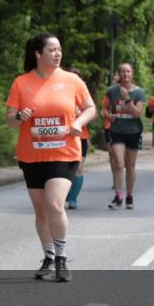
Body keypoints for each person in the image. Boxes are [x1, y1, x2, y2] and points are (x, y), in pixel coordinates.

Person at [7, 37, 94, 283]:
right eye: (52, 50)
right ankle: (48, 256)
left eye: (59, 49)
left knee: (55, 204)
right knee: (41, 210)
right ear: (38, 54)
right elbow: (10, 120)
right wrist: (20, 117)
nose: (57, 54)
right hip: (31, 155)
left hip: (64, 152)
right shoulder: (21, 83)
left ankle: (62, 258)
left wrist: (77, 122)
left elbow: (90, 108)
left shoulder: (72, 80)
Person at [104, 63, 146, 209]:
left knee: (130, 166)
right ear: (119, 74)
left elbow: (137, 113)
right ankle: (118, 196)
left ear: (132, 74)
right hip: (117, 131)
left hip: (133, 132)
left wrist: (127, 98)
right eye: (122, 72)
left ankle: (129, 196)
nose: (125, 74)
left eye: (128, 71)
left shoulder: (139, 92)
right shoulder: (111, 91)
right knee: (118, 163)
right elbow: (104, 110)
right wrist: (108, 115)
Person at [64, 68, 90, 210]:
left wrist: (80, 115)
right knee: (65, 169)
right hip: (62, 137)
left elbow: (92, 114)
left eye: (77, 78)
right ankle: (64, 194)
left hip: (81, 137)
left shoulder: (84, 95)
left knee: (78, 169)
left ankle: (73, 198)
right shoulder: (60, 93)